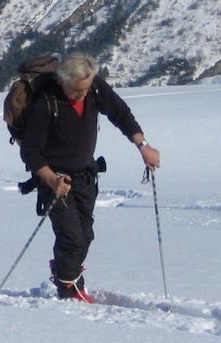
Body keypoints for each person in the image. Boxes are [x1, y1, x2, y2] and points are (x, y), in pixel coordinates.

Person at [18, 52, 161, 302]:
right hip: (56, 181)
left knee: (85, 235)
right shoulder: (46, 103)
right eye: (77, 91)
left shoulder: (93, 88)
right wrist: (51, 180)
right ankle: (69, 289)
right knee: (72, 238)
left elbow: (121, 114)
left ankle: (64, 270)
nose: (83, 95)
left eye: (86, 89)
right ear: (63, 82)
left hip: (86, 176)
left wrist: (143, 146)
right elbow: (30, 151)